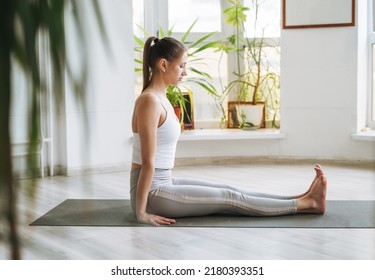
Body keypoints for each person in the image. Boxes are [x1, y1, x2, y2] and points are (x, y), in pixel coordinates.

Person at [130, 36, 327, 226]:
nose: (185, 72)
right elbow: (148, 161)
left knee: (229, 189)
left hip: (165, 181)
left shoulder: (160, 98)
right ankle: (306, 204)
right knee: (230, 198)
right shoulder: (149, 101)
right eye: (181, 66)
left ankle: (300, 198)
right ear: (163, 65)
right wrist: (141, 213)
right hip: (151, 193)